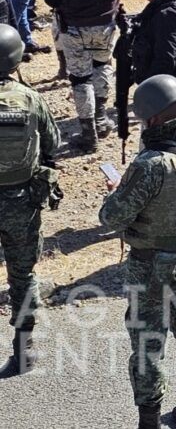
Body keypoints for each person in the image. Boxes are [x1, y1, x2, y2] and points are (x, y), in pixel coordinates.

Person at [98, 74, 176, 429]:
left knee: (148, 342)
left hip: (150, 265)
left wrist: (118, 188)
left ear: (151, 118)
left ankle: (149, 421)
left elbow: (110, 217)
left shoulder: (151, 164)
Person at [31, 0, 131, 151]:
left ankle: (89, 133)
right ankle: (101, 120)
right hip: (105, 25)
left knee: (80, 78)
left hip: (73, 28)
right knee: (102, 66)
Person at [0, 23, 59, 377]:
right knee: (22, 275)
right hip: (22, 201)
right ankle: (24, 352)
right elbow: (53, 143)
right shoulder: (30, 98)